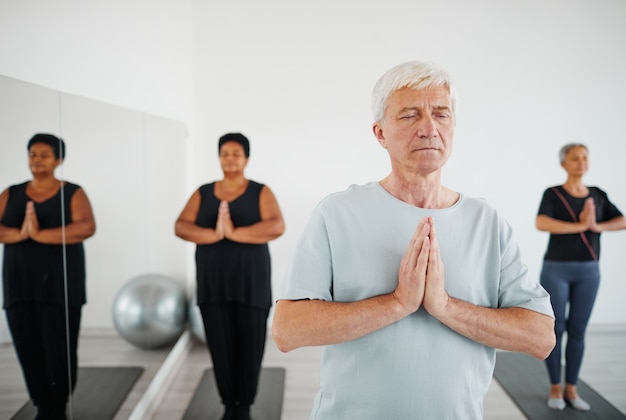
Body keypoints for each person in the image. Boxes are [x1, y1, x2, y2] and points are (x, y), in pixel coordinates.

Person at [271, 61, 556, 419]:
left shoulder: (487, 222)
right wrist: (396, 303)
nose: (428, 128)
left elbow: (540, 337)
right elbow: (287, 330)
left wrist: (446, 307)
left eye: (441, 113)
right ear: (380, 133)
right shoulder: (337, 213)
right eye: (409, 115)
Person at [175, 132, 285, 420]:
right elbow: (181, 226)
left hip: (251, 283)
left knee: (250, 346)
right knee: (220, 345)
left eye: (237, 153)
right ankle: (228, 405)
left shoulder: (260, 191)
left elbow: (276, 226)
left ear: (246, 158)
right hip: (214, 284)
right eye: (225, 153)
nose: (231, 158)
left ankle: (245, 406)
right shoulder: (203, 192)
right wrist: (214, 234)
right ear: (219, 157)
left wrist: (234, 233)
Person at [1, 133, 96, 419]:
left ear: (59, 160)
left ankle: (58, 404)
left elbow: (86, 227)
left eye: (44, 154)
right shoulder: (13, 193)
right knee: (26, 343)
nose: (37, 160)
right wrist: (20, 233)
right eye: (33, 153)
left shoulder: (73, 192)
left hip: (60, 284)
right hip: (20, 284)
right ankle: (42, 403)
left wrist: (39, 235)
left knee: (59, 346)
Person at [536, 143, 626, 411]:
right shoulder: (553, 194)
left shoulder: (597, 195)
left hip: (589, 271)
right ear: (564, 164)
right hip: (556, 269)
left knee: (578, 330)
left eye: (585, 157)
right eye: (575, 158)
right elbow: (541, 223)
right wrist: (581, 226)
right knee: (556, 329)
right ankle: (554, 387)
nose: (581, 162)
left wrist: (596, 225)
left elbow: (622, 220)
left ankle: (572, 389)